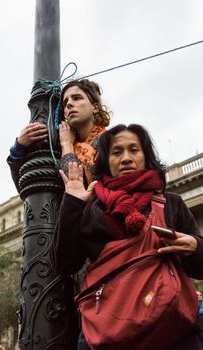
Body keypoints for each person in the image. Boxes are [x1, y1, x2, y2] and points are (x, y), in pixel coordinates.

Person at [50, 123, 203, 350]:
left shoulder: (171, 203)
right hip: (107, 331)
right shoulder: (92, 208)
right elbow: (64, 263)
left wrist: (195, 247)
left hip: (172, 330)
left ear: (146, 156)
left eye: (134, 150)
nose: (126, 158)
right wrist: (71, 202)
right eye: (116, 152)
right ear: (106, 161)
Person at [7, 79, 111, 190]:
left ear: (95, 107)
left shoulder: (111, 142)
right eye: (65, 103)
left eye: (77, 98)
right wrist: (18, 148)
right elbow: (27, 186)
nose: (70, 104)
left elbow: (79, 187)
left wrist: (66, 144)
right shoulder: (59, 148)